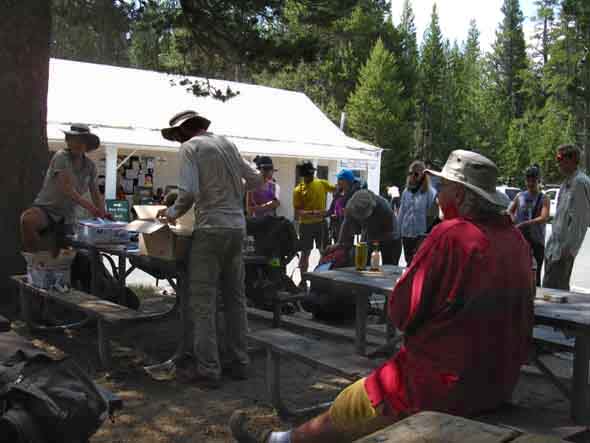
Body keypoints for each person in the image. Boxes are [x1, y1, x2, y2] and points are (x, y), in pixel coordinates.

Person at [230, 150, 532, 443]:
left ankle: (280, 440)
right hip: (498, 381)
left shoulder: (452, 235)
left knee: (352, 402)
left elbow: (401, 312)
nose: (438, 195)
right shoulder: (515, 239)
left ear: (462, 196)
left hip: (443, 384)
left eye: (444, 188)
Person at [156, 110, 262, 387]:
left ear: (182, 133)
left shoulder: (191, 148)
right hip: (237, 227)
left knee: (203, 301)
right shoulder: (227, 143)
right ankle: (240, 362)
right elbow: (255, 180)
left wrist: (171, 212)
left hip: (211, 227)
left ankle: (209, 368)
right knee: (235, 298)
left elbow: (188, 192)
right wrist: (229, 190)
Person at [21, 124, 110, 252]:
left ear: (87, 145)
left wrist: (102, 214)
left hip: (68, 216)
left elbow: (95, 193)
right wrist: (91, 208)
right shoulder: (61, 157)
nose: (77, 144)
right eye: (73, 140)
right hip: (46, 209)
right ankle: (36, 260)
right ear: (67, 141)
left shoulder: (90, 166)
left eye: (81, 141)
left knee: (70, 253)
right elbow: (67, 189)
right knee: (28, 220)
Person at [544, 144, 590, 291]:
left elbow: (580, 221)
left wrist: (569, 251)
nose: (558, 163)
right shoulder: (565, 184)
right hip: (553, 250)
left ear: (572, 159)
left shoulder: (580, 183)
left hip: (562, 253)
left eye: (560, 159)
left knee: (556, 295)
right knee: (549, 291)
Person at [329, 189, 398, 266]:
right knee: (363, 262)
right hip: (370, 234)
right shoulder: (352, 205)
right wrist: (339, 244)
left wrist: (370, 240)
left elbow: (389, 233)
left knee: (389, 267)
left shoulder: (384, 209)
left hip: (390, 237)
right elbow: (346, 224)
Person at [292, 161, 336, 277]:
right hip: (305, 226)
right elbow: (298, 212)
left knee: (325, 252)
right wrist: (314, 212)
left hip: (321, 224)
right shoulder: (298, 190)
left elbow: (337, 190)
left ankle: (321, 277)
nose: (311, 176)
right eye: (308, 175)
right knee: (305, 253)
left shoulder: (322, 183)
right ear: (303, 175)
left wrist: (334, 208)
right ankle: (303, 280)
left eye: (312, 174)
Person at [508, 165, 550, 285]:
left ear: (538, 181)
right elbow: (510, 211)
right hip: (520, 240)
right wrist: (513, 222)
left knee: (535, 274)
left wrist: (525, 224)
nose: (530, 183)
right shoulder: (519, 196)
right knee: (518, 271)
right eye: (528, 179)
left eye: (533, 180)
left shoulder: (544, 198)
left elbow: (544, 217)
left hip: (537, 242)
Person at [397, 160, 437, 265]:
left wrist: (427, 234)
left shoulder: (430, 192)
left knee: (417, 262)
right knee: (408, 261)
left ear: (423, 175)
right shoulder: (406, 191)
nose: (412, 176)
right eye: (410, 173)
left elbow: (432, 215)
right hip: (406, 233)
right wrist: (398, 230)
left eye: (416, 174)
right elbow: (402, 212)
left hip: (420, 234)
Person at [327, 169, 361, 244]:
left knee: (345, 249)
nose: (338, 181)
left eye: (340, 179)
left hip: (348, 227)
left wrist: (346, 212)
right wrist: (320, 214)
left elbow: (358, 212)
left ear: (347, 181)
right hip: (336, 226)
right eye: (338, 179)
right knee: (337, 249)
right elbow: (331, 210)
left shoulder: (354, 195)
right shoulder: (338, 193)